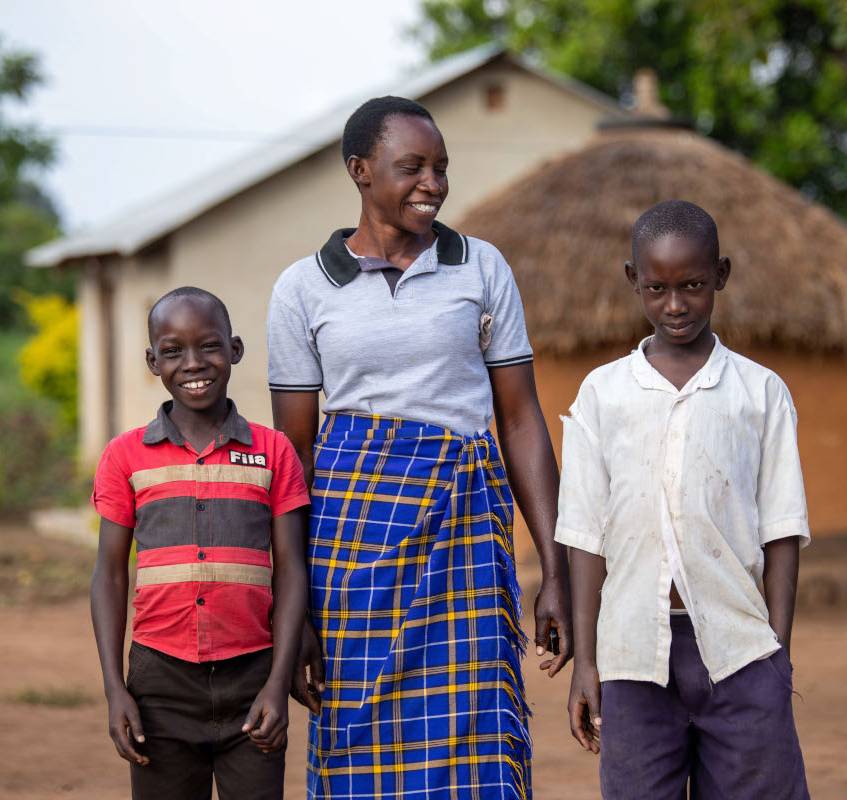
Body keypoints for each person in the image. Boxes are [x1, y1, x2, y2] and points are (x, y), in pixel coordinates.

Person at [267, 95, 572, 799]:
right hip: (350, 553)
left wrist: (553, 567)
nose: (432, 183)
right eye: (412, 167)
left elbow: (521, 421)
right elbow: (294, 457)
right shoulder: (303, 289)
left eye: (441, 168)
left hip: (463, 536)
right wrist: (296, 609)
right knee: (354, 736)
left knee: (475, 736)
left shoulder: (481, 268)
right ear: (361, 171)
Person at [559, 200, 810, 799]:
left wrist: (778, 654)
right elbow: (586, 537)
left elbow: (782, 530)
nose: (675, 305)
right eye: (657, 288)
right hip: (632, 653)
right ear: (633, 281)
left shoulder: (759, 392)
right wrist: (587, 663)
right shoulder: (603, 393)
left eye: (693, 286)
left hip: (740, 650)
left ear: (721, 274)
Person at [90, 287, 310, 799]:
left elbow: (292, 569)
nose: (193, 364)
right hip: (158, 684)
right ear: (152, 361)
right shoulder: (125, 456)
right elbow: (110, 574)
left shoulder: (273, 451)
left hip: (252, 680)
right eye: (172, 351)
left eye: (209, 346)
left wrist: (277, 684)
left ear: (234, 350)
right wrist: (114, 688)